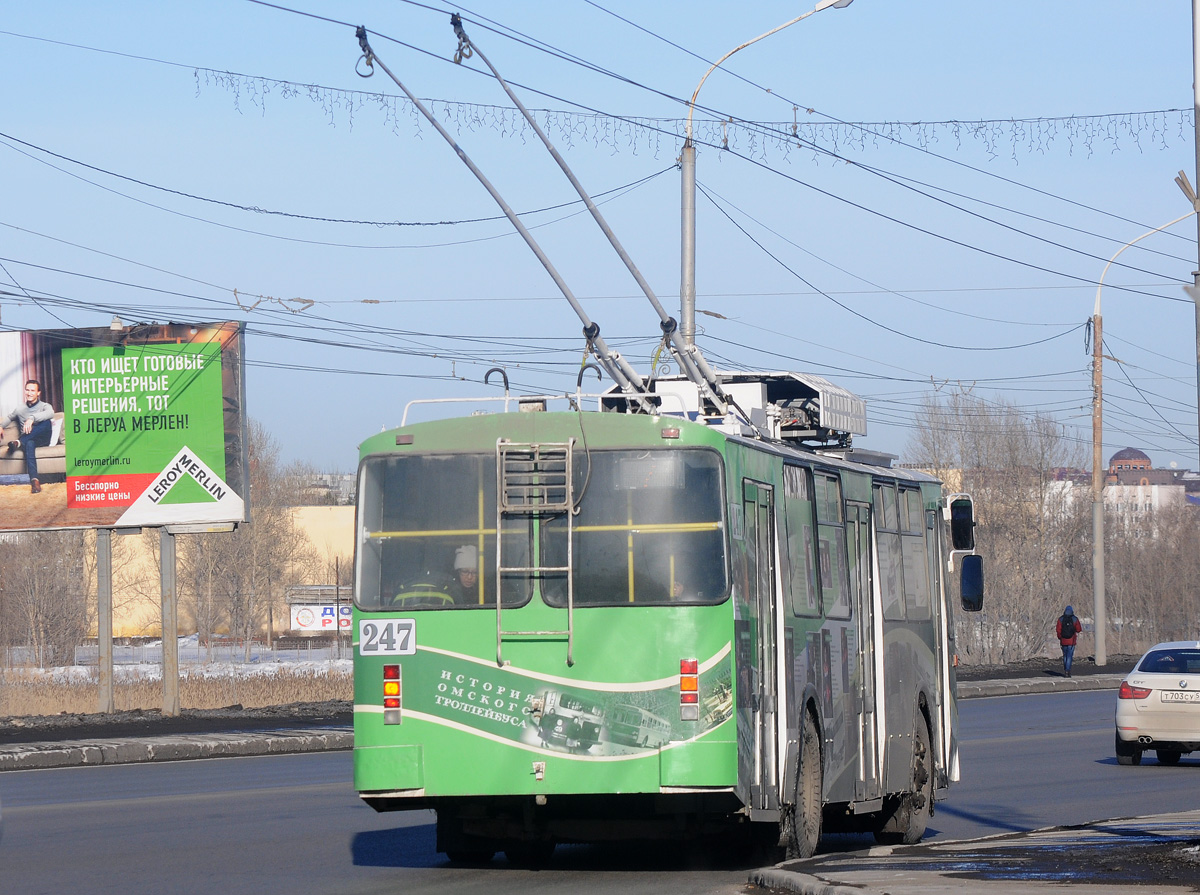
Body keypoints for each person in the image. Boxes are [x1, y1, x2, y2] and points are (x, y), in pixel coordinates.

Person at [3, 379, 54, 494]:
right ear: (25, 391)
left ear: (38, 393)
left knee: (47, 422)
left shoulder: (45, 406)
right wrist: (1, 426)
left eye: (32, 390)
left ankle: (19, 442)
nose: (29, 393)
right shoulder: (20, 408)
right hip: (29, 440)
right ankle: (35, 482)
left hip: (42, 439)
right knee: (30, 443)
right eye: (27, 390)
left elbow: (51, 413)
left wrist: (32, 418)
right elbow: (10, 417)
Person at [1056, 605, 1082, 677]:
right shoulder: (1074, 619)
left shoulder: (1061, 619)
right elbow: (1079, 629)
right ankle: (1067, 670)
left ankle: (1065, 670)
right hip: (1072, 640)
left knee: (1065, 655)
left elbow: (1058, 630)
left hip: (1063, 640)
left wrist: (1060, 637)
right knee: (1069, 656)